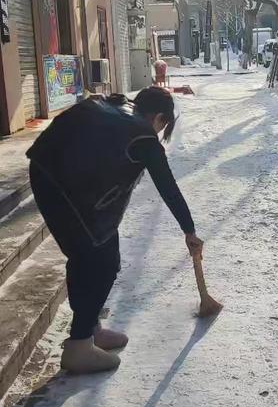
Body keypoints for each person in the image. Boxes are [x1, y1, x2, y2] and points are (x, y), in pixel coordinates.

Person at [27, 87, 203, 374]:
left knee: (97, 252)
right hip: (62, 187)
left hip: (49, 173)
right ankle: (80, 346)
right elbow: (168, 187)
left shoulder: (115, 108)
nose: (159, 133)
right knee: (100, 262)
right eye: (163, 126)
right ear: (158, 117)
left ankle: (89, 329)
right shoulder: (142, 136)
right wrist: (189, 230)